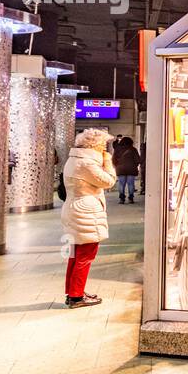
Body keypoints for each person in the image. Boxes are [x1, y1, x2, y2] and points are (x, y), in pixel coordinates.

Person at [61, 128, 116, 309]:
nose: (104, 149)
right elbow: (108, 181)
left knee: (75, 255)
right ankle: (77, 297)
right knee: (86, 254)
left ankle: (73, 292)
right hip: (85, 212)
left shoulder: (74, 159)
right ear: (96, 145)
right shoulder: (86, 163)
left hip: (74, 209)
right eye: (103, 145)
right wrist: (108, 162)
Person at [111, 135, 142, 204]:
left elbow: (113, 159)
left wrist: (117, 166)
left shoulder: (117, 149)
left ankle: (122, 199)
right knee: (131, 184)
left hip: (120, 169)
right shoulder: (133, 149)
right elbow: (138, 160)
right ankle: (131, 198)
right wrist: (134, 165)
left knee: (121, 184)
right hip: (131, 169)